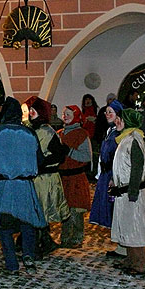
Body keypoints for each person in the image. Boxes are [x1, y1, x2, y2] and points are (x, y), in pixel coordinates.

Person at [0, 97, 46, 275]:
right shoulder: (29, 134)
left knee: (5, 226)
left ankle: (11, 263)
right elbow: (40, 159)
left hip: (4, 185)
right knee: (27, 222)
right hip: (24, 185)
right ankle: (29, 255)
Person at [110, 108, 145, 275]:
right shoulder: (126, 138)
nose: (117, 121)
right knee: (127, 227)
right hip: (124, 190)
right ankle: (131, 259)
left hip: (131, 192)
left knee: (134, 228)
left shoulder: (134, 139)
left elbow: (137, 167)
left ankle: (141, 264)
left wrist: (133, 191)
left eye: (120, 119)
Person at [25, 95, 69, 258]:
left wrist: (41, 163)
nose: (30, 113)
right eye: (30, 111)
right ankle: (39, 240)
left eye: (33, 111)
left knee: (41, 210)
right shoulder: (33, 130)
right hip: (37, 177)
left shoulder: (47, 132)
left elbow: (59, 155)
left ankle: (40, 242)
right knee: (36, 211)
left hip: (46, 178)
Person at [90, 100, 126, 258]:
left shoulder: (121, 133)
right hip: (107, 176)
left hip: (114, 177)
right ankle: (120, 244)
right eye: (106, 112)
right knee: (111, 208)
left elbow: (119, 157)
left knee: (117, 208)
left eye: (111, 112)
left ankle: (124, 246)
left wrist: (114, 177)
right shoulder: (110, 131)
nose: (107, 115)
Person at [58, 105, 92, 249]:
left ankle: (77, 237)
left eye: (69, 113)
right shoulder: (59, 133)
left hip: (76, 177)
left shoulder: (81, 134)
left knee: (76, 209)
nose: (65, 116)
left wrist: (69, 151)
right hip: (62, 178)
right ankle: (65, 237)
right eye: (64, 113)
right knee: (64, 209)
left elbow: (87, 156)